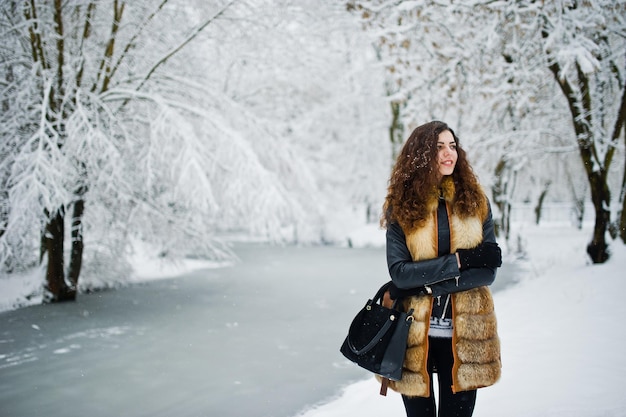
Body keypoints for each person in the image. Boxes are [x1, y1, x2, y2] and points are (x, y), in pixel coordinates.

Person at [380, 121, 502, 417]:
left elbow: (488, 271)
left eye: (452, 146)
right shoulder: (402, 206)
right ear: (421, 154)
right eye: (439, 147)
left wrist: (428, 286)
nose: (449, 154)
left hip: (467, 334)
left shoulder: (476, 201)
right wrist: (460, 262)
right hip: (413, 335)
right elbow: (400, 273)